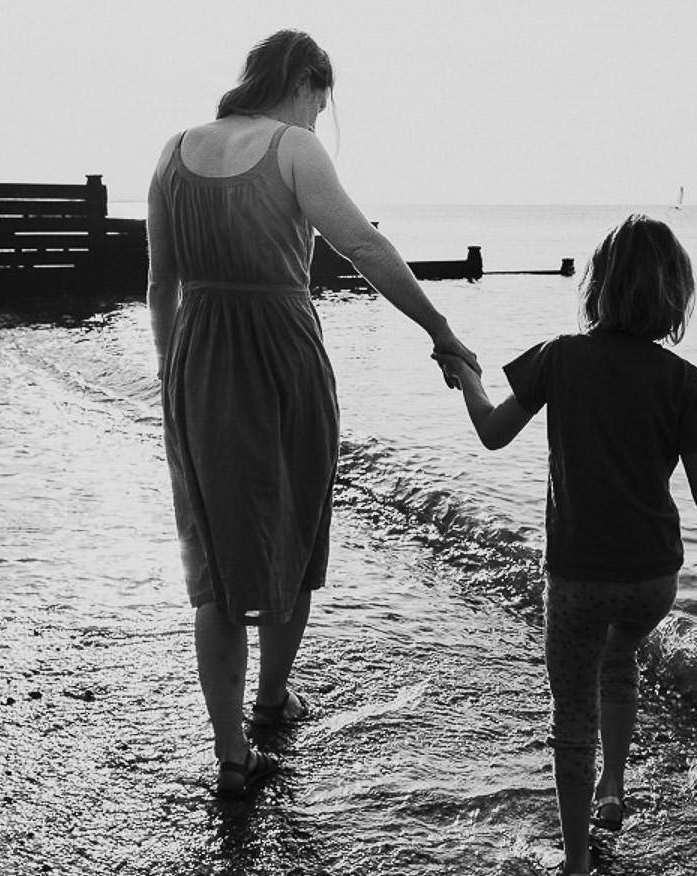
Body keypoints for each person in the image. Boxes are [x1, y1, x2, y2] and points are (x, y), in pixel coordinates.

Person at [147, 30, 479, 799]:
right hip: (284, 361)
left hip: (199, 364)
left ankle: (233, 754)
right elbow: (363, 244)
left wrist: (171, 373)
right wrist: (440, 330)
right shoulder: (294, 149)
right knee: (293, 529)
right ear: (304, 80)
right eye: (318, 102)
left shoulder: (172, 152)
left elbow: (161, 282)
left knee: (214, 561)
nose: (317, 117)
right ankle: (270, 700)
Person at [436, 214, 697, 876]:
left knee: (570, 712)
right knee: (622, 658)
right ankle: (615, 785)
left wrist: (466, 374)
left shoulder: (560, 356)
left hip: (578, 579)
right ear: (674, 295)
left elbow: (493, 432)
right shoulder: (681, 378)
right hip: (652, 581)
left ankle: (579, 867)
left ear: (598, 285)